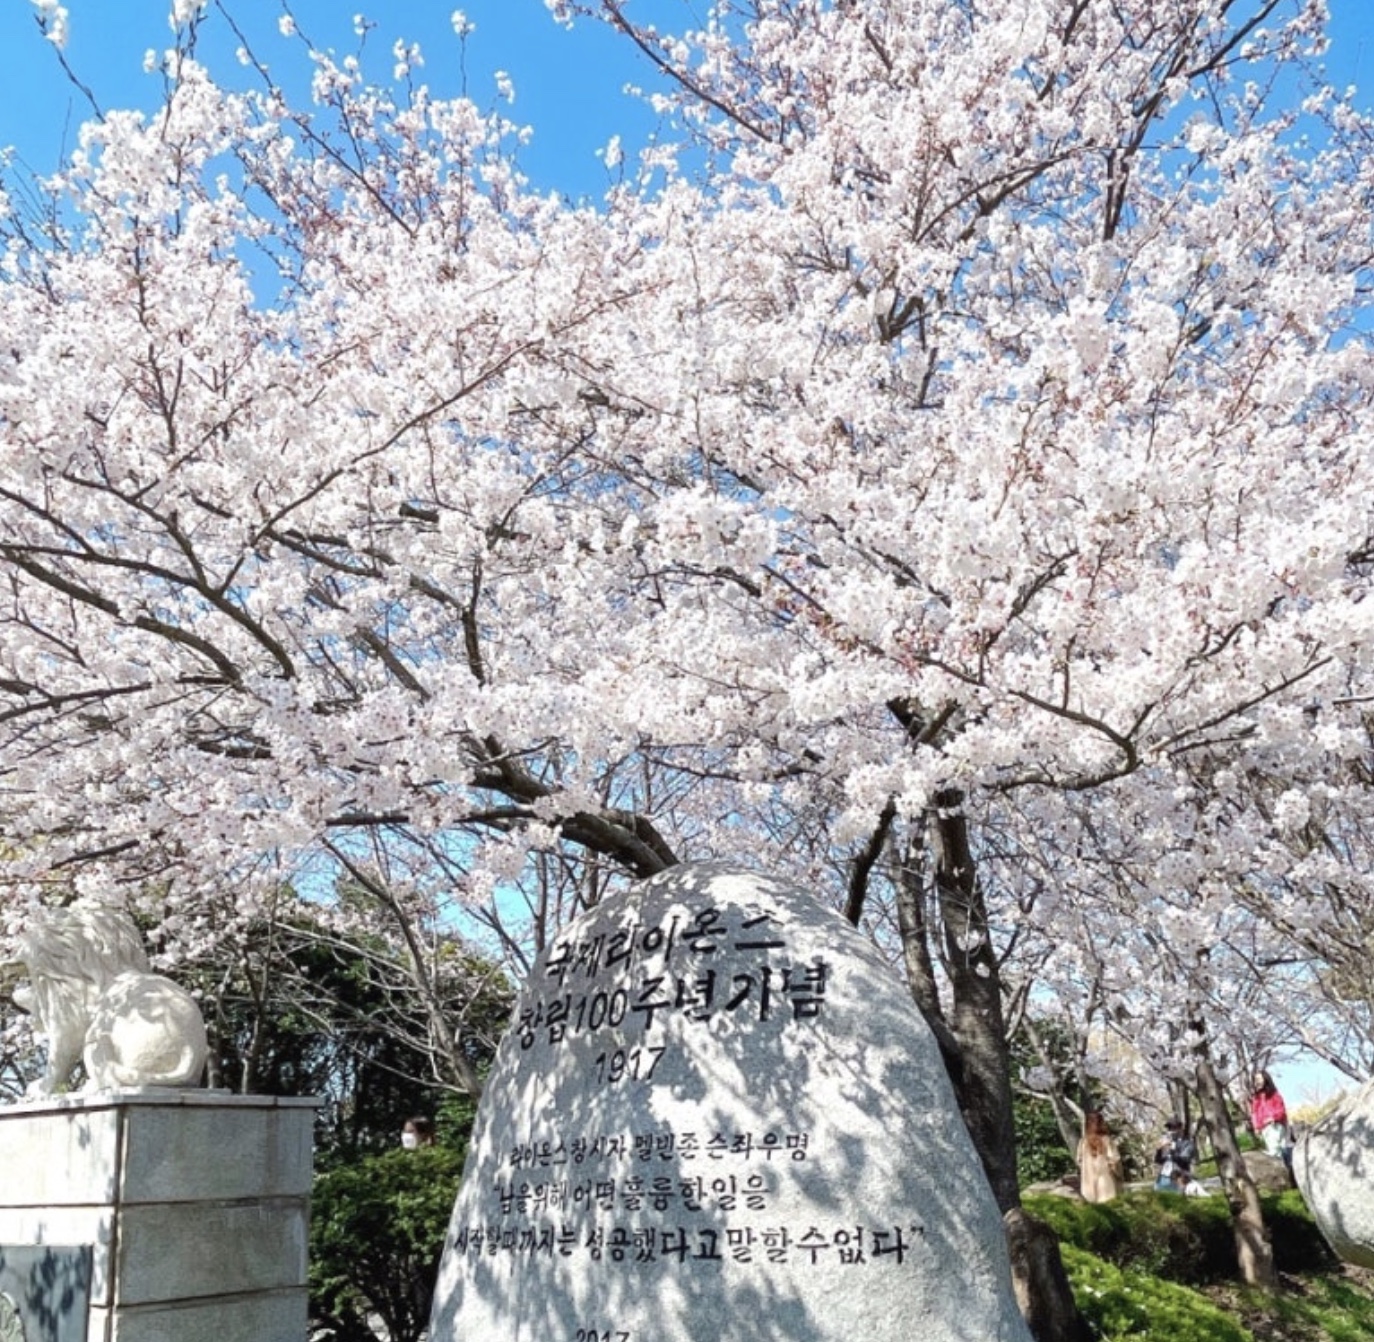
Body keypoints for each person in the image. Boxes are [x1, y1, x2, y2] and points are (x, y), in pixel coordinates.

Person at [1076, 1110, 1125, 1203]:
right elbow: (1115, 1160)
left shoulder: (1082, 1142)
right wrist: (1119, 1176)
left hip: (1088, 1186)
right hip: (1106, 1184)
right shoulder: (1107, 1140)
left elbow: (1079, 1160)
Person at [1249, 1069, 1292, 1163]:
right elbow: (1254, 1113)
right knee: (1276, 1150)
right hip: (1265, 1127)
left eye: (1259, 1079)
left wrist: (1273, 1117)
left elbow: (1281, 1110)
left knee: (1277, 1150)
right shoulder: (1256, 1098)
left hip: (1276, 1125)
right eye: (1256, 1079)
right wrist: (1256, 1126)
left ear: (1266, 1079)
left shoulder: (1274, 1095)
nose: (1257, 1082)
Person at [1153, 1117, 1197, 1194]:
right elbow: (1158, 1161)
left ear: (1180, 1128)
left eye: (1174, 1128)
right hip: (1163, 1179)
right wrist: (1159, 1150)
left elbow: (1184, 1159)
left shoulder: (1187, 1144)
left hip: (1179, 1179)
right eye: (1169, 1128)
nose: (1171, 1131)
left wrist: (1172, 1148)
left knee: (1178, 1203)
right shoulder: (1165, 1142)